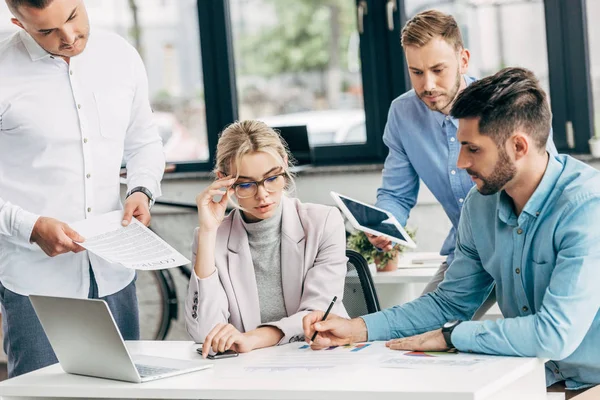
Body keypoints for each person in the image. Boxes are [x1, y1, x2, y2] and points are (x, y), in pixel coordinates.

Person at [303, 67, 600, 398]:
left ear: (518, 146)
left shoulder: (586, 206)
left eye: (472, 149)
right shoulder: (480, 204)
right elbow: (450, 303)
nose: (460, 162)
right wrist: (356, 329)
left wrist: (452, 336)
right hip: (533, 375)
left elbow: (554, 334)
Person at [0, 0, 165, 377]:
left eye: (74, 17)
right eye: (47, 31)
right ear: (19, 23)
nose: (69, 38)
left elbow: (144, 141)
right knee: (43, 396)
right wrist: (29, 226)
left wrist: (141, 190)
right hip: (36, 282)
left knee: (122, 390)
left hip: (114, 270)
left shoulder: (120, 55)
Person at [369, 10, 556, 313]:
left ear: (463, 60)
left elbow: (547, 181)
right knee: (422, 335)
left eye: (438, 69)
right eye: (416, 72)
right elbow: (396, 194)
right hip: (468, 253)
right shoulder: (402, 115)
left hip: (528, 247)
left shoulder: (505, 103)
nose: (427, 84)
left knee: (546, 342)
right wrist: (385, 225)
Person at [186, 120, 348, 358]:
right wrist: (208, 233)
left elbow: (318, 315)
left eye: (272, 178)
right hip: (248, 371)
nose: (262, 195)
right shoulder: (211, 237)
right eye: (246, 184)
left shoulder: (323, 222)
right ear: (224, 180)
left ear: (284, 163)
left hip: (318, 357)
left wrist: (252, 338)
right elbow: (204, 333)